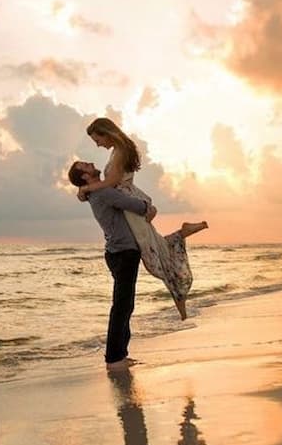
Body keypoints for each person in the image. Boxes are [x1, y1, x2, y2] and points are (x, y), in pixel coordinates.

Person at [78, 117, 208, 321]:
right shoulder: (120, 150)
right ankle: (182, 236)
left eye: (97, 139)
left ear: (106, 133)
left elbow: (111, 182)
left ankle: (180, 297)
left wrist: (86, 188)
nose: (98, 144)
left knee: (155, 256)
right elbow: (111, 185)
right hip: (130, 200)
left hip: (130, 206)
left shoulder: (119, 152)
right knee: (157, 247)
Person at [67, 159, 150, 370]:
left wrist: (83, 190)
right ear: (85, 177)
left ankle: (120, 354)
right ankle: (114, 358)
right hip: (123, 252)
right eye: (85, 165)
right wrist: (148, 206)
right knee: (122, 306)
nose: (91, 163)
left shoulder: (96, 191)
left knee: (125, 305)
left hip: (118, 252)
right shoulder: (103, 193)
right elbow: (136, 206)